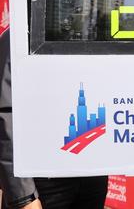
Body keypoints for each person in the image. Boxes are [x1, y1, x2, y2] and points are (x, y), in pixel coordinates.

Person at [0, 29, 108, 209]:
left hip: (92, 178)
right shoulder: (18, 35)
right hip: (42, 183)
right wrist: (23, 197)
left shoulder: (89, 32)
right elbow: (6, 116)